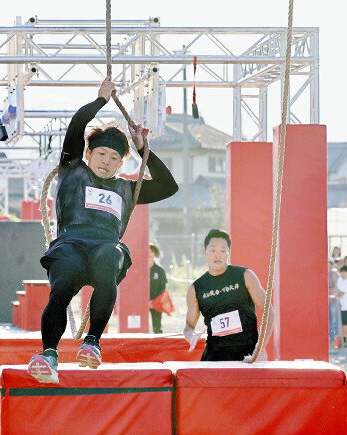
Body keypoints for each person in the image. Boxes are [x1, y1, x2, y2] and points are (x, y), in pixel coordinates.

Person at [28, 77, 179, 383]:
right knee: (62, 287)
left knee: (110, 258)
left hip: (104, 249)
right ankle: (48, 354)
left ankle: (92, 342)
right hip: (70, 244)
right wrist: (100, 101)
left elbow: (168, 186)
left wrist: (142, 149)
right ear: (89, 155)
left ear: (120, 163)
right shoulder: (72, 169)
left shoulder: (127, 188)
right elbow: (76, 125)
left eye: (114, 158)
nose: (106, 162)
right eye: (101, 154)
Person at [183, 229, 274, 361]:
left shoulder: (245, 276)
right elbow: (188, 326)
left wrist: (261, 346)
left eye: (222, 251)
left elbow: (269, 312)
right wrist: (191, 336)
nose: (217, 256)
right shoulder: (196, 288)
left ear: (228, 253)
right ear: (204, 252)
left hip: (248, 356)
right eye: (213, 250)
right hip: (214, 359)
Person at [149, 243, 167, 334]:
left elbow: (162, 289)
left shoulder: (160, 270)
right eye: (147, 250)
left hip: (156, 302)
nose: (149, 253)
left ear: (155, 253)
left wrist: (153, 302)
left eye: (152, 251)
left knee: (157, 328)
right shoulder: (139, 269)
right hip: (141, 304)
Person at [328, 259, 341, 343]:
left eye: (329, 264)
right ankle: (329, 336)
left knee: (334, 319)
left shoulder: (335, 274)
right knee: (327, 319)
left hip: (333, 300)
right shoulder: (322, 273)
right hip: (324, 300)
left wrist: (333, 289)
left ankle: (335, 336)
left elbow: (339, 285)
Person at [336, 265, 347, 344]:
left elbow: (341, 293)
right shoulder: (340, 279)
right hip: (342, 306)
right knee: (343, 324)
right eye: (342, 272)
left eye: (345, 272)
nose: (343, 274)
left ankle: (345, 341)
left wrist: (334, 295)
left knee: (345, 324)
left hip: (345, 306)